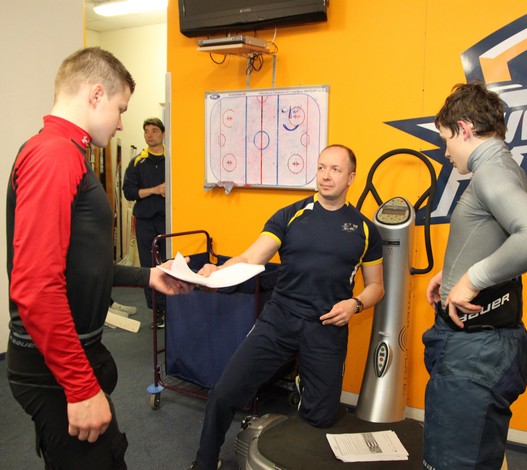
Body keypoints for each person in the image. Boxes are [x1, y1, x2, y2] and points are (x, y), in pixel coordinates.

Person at [5, 47, 193, 470]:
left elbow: (80, 265)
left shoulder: (67, 152)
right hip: (53, 367)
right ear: (95, 95)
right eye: (120, 108)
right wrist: (79, 387)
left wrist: (148, 276)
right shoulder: (53, 154)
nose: (122, 122)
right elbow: (36, 286)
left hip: (67, 355)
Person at [190, 144, 385, 470]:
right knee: (224, 393)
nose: (326, 175)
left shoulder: (365, 229)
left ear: (351, 177)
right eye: (321, 167)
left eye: (335, 169)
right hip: (280, 319)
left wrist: (355, 304)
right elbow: (252, 257)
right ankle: (205, 462)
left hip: (327, 326)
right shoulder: (290, 215)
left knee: (321, 418)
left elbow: (376, 286)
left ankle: (303, 383)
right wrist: (217, 271)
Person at [422, 82, 527, 469]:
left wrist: (471, 280)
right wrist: (453, 272)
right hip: (482, 343)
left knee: (453, 463)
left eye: (446, 139)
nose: (446, 151)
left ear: (464, 129)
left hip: (476, 350)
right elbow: (495, 235)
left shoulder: (490, 173)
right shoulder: (504, 167)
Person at [122, 117, 167, 327]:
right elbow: (129, 192)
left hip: (168, 222)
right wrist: (155, 190)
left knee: (169, 264)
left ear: (163, 133)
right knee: (149, 267)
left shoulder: (172, 159)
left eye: (154, 130)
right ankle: (157, 310)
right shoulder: (137, 162)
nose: (150, 134)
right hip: (145, 223)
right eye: (146, 131)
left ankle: (173, 307)